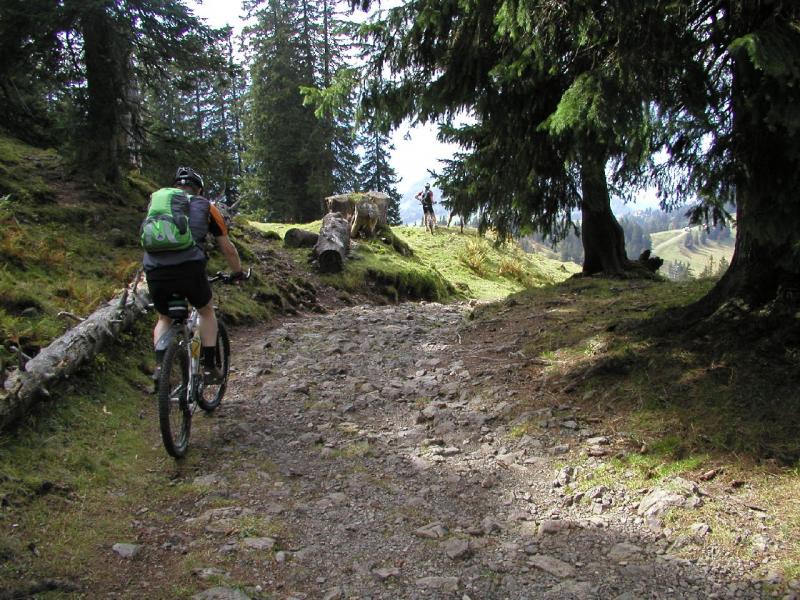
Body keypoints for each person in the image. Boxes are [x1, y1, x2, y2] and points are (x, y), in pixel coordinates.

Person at [144, 166, 244, 385]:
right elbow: (227, 248)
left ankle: (160, 366)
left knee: (164, 318)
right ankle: (209, 368)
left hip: (155, 268)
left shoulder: (158, 204)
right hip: (189, 267)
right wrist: (238, 272)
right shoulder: (206, 206)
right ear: (199, 189)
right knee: (206, 311)